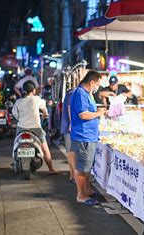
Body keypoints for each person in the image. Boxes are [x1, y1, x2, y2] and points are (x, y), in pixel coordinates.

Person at [70, 70, 107, 205]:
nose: (98, 87)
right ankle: (81, 195)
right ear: (92, 82)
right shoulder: (80, 93)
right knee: (82, 168)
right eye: (98, 84)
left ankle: (87, 190)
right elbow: (83, 115)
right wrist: (98, 113)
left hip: (88, 136)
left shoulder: (86, 93)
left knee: (86, 167)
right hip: (83, 136)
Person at [12, 81, 58, 174]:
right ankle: (51, 169)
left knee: (16, 143)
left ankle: (15, 160)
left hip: (21, 128)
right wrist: (45, 114)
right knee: (45, 148)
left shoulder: (18, 101)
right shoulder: (37, 99)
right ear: (33, 90)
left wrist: (20, 118)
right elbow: (44, 108)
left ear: (23, 90)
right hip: (36, 128)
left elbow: (15, 114)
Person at [60, 88, 75, 181]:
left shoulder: (70, 93)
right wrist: (71, 123)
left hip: (69, 127)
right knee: (71, 153)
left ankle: (72, 174)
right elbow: (70, 107)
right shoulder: (72, 93)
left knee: (71, 152)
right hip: (70, 128)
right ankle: (73, 175)